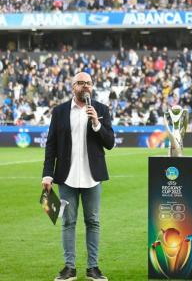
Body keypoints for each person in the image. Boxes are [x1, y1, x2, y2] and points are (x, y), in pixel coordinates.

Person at [42, 72, 115, 281]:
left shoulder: (101, 110)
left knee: (93, 222)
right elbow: (51, 145)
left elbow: (110, 142)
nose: (85, 86)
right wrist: (47, 174)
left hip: (93, 177)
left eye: (89, 83)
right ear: (72, 86)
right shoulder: (60, 111)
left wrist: (96, 124)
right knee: (68, 222)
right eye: (81, 83)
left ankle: (93, 268)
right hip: (67, 177)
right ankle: (69, 268)